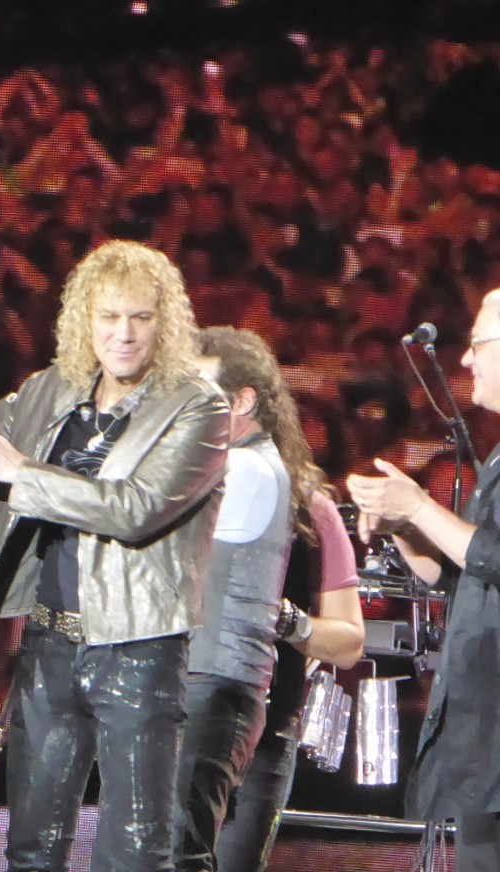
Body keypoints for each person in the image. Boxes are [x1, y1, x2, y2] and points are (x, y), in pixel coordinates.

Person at [0, 239, 230, 871]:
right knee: (31, 846)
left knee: (135, 854)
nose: (124, 333)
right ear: (85, 319)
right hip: (49, 641)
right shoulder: (56, 387)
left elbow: (134, 508)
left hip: (139, 647)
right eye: (109, 316)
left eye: (140, 317)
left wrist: (19, 472)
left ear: (165, 323)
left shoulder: (197, 405)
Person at [347, 288, 500, 872]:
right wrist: (405, 529)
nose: (466, 359)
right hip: (480, 749)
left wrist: (418, 506)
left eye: (479, 344)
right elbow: (462, 576)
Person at [170, 326, 295, 872]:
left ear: (242, 401)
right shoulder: (237, 463)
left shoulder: (246, 468)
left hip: (214, 683)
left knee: (177, 852)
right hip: (204, 681)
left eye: (200, 391)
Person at [215, 455, 364, 866]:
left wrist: (283, 618)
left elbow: (348, 643)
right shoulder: (175, 488)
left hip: (259, 732)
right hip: (167, 718)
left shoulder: (309, 509)